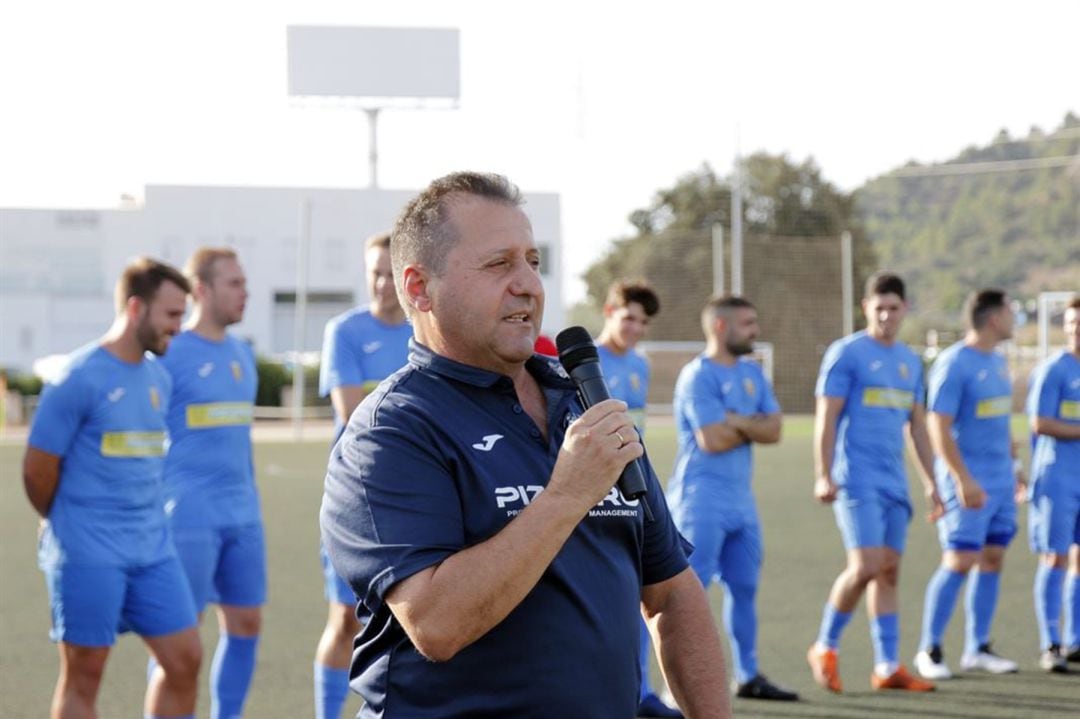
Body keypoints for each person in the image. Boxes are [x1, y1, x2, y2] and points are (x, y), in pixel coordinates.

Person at [321, 171, 732, 718]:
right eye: (499, 264)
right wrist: (564, 496)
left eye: (533, 262)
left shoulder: (584, 403)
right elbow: (437, 624)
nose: (529, 285)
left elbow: (673, 593)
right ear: (420, 287)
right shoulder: (390, 432)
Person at [23, 258, 202, 719]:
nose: (178, 327)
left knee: (184, 659)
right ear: (137, 308)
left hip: (152, 549)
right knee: (85, 673)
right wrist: (65, 521)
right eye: (171, 315)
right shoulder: (77, 377)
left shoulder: (158, 377)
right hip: (88, 548)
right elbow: (37, 471)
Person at [807, 272, 940, 694]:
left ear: (905, 310)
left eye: (894, 308)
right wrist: (823, 473)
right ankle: (825, 646)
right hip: (855, 480)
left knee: (889, 573)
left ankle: (887, 666)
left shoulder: (909, 361)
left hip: (894, 483)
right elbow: (827, 418)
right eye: (878, 307)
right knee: (864, 567)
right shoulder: (846, 354)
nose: (885, 315)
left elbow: (916, 427)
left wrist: (932, 481)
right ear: (866, 307)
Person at [666, 295, 798, 702]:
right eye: (748, 323)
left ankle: (748, 675)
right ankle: (675, 691)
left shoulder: (752, 374)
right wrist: (748, 423)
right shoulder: (697, 376)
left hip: (742, 501)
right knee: (687, 596)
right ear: (721, 327)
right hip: (699, 500)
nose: (755, 331)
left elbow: (775, 429)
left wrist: (735, 420)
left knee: (744, 589)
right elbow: (712, 439)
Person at [158, 248, 263, 717]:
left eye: (244, 282)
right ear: (201, 289)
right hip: (188, 516)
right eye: (234, 284)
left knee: (245, 624)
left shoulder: (244, 354)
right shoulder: (170, 352)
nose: (246, 292)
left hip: (242, 515)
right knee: (179, 638)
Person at [314, 231, 412, 719]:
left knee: (418, 621)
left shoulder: (425, 332)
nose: (381, 284)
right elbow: (354, 418)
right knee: (346, 621)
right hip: (360, 505)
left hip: (419, 501)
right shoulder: (345, 332)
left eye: (389, 274)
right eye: (373, 273)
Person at [914, 288, 1024, 679]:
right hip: (969, 482)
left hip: (1001, 480)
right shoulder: (954, 363)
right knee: (959, 560)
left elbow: (999, 420)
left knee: (993, 557)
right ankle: (930, 649)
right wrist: (963, 479)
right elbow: (936, 426)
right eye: (1012, 312)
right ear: (994, 318)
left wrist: (1016, 466)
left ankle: (977, 647)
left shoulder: (997, 361)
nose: (1015, 319)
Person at [597, 280, 681, 717]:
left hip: (631, 492)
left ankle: (641, 694)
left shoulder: (640, 365)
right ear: (609, 311)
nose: (635, 329)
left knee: (642, 593)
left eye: (643, 323)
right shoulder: (582, 361)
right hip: (592, 495)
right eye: (628, 317)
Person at [1026, 296, 1080, 672]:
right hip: (1058, 477)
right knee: (1055, 556)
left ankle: (1076, 639)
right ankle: (1051, 643)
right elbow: (1039, 423)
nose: (1076, 330)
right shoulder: (1054, 370)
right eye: (1072, 323)